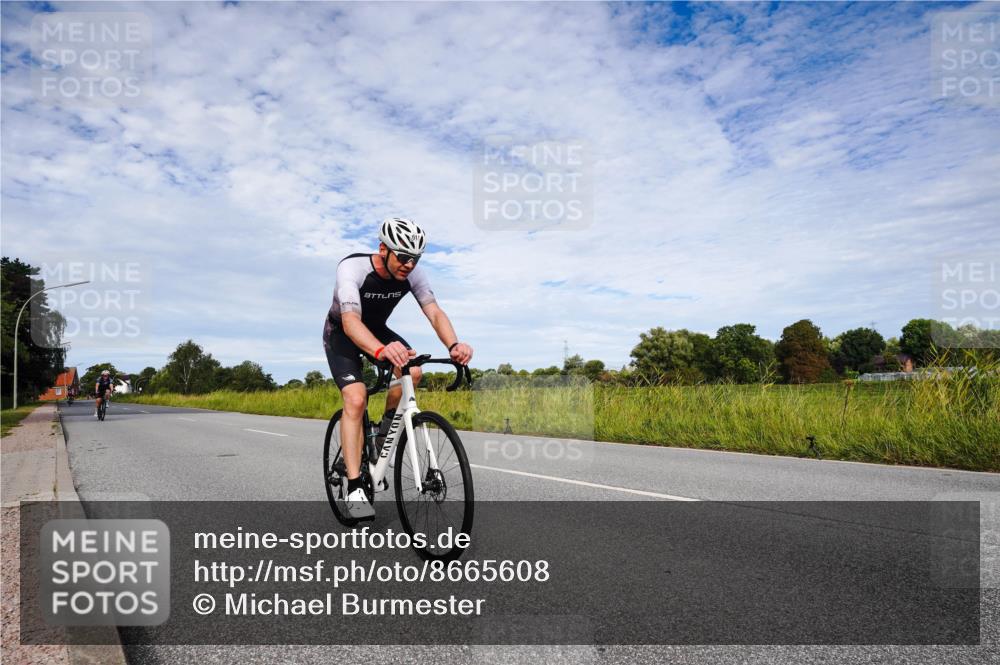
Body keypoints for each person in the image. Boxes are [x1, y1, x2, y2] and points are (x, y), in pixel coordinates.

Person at [323, 217, 473, 519]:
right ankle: (354, 486)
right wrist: (380, 350)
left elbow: (434, 312)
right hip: (343, 333)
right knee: (355, 397)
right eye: (403, 257)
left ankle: (381, 439)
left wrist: (454, 344)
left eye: (415, 259)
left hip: (378, 329)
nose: (408, 264)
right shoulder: (352, 269)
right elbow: (352, 322)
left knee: (413, 372)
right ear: (383, 249)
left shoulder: (413, 274)